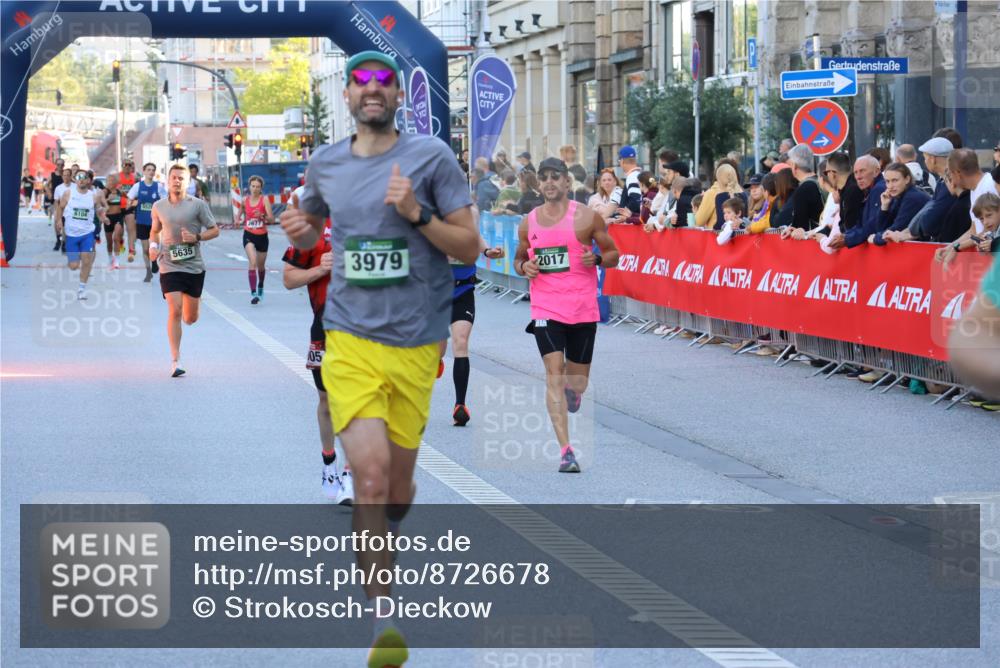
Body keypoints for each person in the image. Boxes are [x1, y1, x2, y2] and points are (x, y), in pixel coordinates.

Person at [279, 50, 479, 666]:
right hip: (348, 341)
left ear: (398, 95)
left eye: (383, 81)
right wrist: (301, 234)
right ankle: (383, 622)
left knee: (395, 492)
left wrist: (415, 214)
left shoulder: (431, 159)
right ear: (346, 94)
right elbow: (311, 230)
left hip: (416, 342)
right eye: (360, 81)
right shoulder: (327, 163)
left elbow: (469, 243)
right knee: (366, 479)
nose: (372, 89)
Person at [513, 157, 620, 474]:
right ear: (538, 183)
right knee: (553, 374)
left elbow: (614, 254)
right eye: (543, 177)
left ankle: (574, 394)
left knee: (577, 382)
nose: (549, 182)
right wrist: (525, 267)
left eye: (555, 177)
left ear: (566, 182)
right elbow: (519, 261)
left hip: (582, 308)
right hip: (545, 307)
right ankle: (566, 450)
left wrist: (597, 259)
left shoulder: (587, 218)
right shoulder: (528, 222)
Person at [281, 213, 355, 506]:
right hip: (325, 325)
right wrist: (319, 270)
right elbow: (288, 278)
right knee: (328, 401)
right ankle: (329, 463)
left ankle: (350, 474)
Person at [149, 164, 220, 378]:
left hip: (193, 265)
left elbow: (214, 230)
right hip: (169, 265)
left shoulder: (197, 205)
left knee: (190, 317)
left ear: (187, 182)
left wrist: (197, 237)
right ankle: (175, 359)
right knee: (175, 310)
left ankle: (193, 311)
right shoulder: (158, 206)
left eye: (181, 178)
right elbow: (154, 231)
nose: (177, 181)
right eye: (173, 177)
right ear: (167, 181)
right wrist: (153, 248)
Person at [444, 217, 505, 427]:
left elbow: (478, 241)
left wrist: (489, 252)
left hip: (463, 291)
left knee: (460, 342)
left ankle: (460, 405)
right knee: (437, 350)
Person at [56, 171, 110, 300]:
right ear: (75, 180)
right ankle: (74, 257)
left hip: (87, 234)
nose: (81, 180)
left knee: (87, 261)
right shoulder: (69, 193)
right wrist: (58, 220)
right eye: (78, 177)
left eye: (83, 177)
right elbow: (60, 207)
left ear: (88, 180)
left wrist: (103, 218)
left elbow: (98, 210)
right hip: (71, 234)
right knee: (74, 266)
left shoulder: (94, 196)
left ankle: (81, 289)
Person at [127, 162, 168, 282]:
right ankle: (148, 271)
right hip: (141, 221)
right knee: (145, 249)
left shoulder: (159, 187)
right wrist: (132, 203)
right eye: (148, 170)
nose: (151, 172)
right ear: (144, 172)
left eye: (153, 170)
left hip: (155, 222)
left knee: (154, 246)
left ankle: (154, 261)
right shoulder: (137, 186)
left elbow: (165, 202)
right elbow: (129, 200)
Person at [837, 156, 885, 248]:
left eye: (862, 171)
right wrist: (847, 235)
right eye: (855, 172)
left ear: (876, 171)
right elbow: (863, 223)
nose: (858, 177)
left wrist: (848, 238)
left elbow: (873, 225)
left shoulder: (878, 189)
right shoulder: (871, 190)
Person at [241, 175, 274, 304]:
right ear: (249, 187)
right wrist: (239, 219)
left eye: (258, 187)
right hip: (249, 234)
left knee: (260, 266)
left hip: (262, 236)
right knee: (252, 262)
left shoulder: (264, 200)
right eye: (253, 186)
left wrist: (262, 215)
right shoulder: (245, 200)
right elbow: (243, 213)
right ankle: (253, 292)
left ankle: (260, 285)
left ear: (261, 188)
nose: (255, 189)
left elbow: (271, 219)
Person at [694, 162, 745, 230]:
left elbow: (699, 222)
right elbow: (745, 219)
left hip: (720, 236)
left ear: (718, 178)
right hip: (742, 236)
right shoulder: (743, 194)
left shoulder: (718, 196)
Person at [101, 173, 128, 270]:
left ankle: (117, 261)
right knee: (109, 242)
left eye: (113, 180)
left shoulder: (119, 191)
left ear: (116, 181)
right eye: (109, 180)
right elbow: (100, 203)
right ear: (107, 182)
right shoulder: (105, 191)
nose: (111, 182)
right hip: (108, 218)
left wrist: (124, 193)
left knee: (116, 238)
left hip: (118, 217)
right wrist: (108, 199)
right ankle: (109, 259)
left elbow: (128, 197)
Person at [118, 159, 139, 261]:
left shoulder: (135, 178)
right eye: (125, 165)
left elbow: (139, 192)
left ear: (132, 166)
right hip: (118, 207)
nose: (127, 166)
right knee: (119, 232)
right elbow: (115, 191)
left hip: (130, 207)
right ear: (122, 166)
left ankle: (131, 250)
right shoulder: (117, 177)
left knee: (131, 229)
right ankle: (121, 243)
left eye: (129, 165)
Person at [618, 145, 643, 221]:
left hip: (633, 223)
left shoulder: (632, 176)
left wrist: (625, 214)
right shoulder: (637, 175)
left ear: (622, 161)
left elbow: (636, 200)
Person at [51, 168, 73, 252]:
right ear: (62, 176)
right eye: (64, 175)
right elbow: (56, 201)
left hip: (71, 211)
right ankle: (58, 241)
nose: (66, 177)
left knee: (65, 228)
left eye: (68, 175)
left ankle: (64, 243)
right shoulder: (58, 188)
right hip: (61, 209)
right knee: (57, 225)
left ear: (71, 176)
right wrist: (57, 212)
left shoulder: (75, 187)